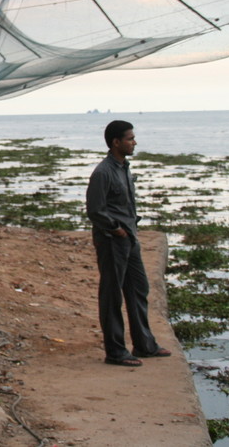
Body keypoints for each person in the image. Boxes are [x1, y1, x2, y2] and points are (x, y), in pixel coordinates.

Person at [85, 120, 171, 367]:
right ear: (116, 142)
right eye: (130, 139)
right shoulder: (103, 172)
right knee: (112, 295)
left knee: (138, 289)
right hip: (113, 240)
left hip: (130, 238)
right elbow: (95, 210)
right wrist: (116, 229)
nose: (134, 142)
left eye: (133, 138)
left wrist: (129, 229)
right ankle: (115, 351)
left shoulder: (124, 168)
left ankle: (145, 344)